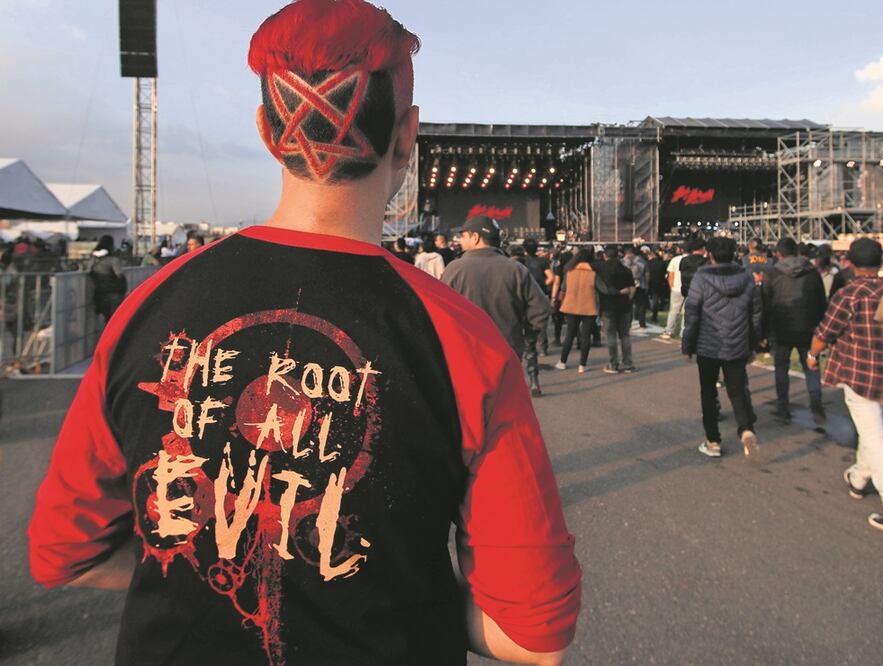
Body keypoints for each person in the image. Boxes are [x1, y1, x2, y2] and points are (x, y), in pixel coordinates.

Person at [28, 3, 580, 664]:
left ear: (267, 132)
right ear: (407, 136)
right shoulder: (462, 340)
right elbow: (531, 636)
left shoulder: (146, 308)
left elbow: (66, 555)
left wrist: (193, 570)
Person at [809, 238, 883, 534]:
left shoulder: (849, 295)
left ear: (850, 264)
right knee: (874, 433)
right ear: (881, 263)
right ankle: (857, 479)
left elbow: (825, 331)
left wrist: (812, 355)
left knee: (874, 438)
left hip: (860, 374)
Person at [443, 217, 549, 397]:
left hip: (466, 355)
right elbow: (541, 308)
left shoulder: (454, 269)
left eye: (463, 236)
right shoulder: (516, 269)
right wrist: (528, 337)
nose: (460, 240)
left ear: (475, 237)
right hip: (507, 354)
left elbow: (441, 314)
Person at [681, 236, 762, 462]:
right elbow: (756, 313)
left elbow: (692, 314)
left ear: (710, 254)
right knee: (737, 389)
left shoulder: (701, 278)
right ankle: (746, 429)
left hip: (708, 345)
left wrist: (687, 343)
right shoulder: (746, 278)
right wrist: (754, 342)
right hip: (737, 344)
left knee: (708, 392)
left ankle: (713, 441)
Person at [761, 237, 827, 423]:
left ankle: (783, 406)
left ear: (778, 254)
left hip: (780, 327)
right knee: (811, 366)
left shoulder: (772, 273)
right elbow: (821, 301)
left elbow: (766, 304)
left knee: (781, 368)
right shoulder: (812, 272)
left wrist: (764, 332)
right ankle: (816, 404)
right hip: (808, 327)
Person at [555, 246, 599, 373]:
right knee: (586, 336)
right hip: (589, 306)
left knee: (570, 334)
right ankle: (582, 365)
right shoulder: (594, 273)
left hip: (571, 305)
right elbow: (600, 288)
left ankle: (563, 361)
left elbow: (563, 289)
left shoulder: (569, 272)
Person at [596, 244, 636, 373]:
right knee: (625, 335)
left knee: (610, 335)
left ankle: (613, 364)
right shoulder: (625, 270)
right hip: (624, 306)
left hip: (608, 306)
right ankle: (628, 363)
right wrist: (628, 299)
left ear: (605, 255)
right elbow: (632, 288)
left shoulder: (601, 268)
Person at [519, 238, 554, 354]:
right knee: (540, 322)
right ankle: (543, 347)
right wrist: (542, 284)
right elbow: (551, 277)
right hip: (540, 293)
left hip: (523, 294)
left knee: (524, 321)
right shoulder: (543, 261)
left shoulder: (521, 262)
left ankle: (528, 347)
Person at [87, 234, 127, 322]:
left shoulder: (93, 259)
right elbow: (119, 275)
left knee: (106, 317)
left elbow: (89, 271)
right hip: (114, 292)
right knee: (115, 318)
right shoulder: (113, 260)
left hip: (100, 292)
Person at [622, 245, 649, 329]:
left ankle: (628, 323)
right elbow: (647, 274)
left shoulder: (622, 261)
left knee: (628, 305)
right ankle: (642, 323)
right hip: (640, 284)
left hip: (627, 286)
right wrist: (647, 284)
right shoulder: (642, 260)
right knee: (641, 305)